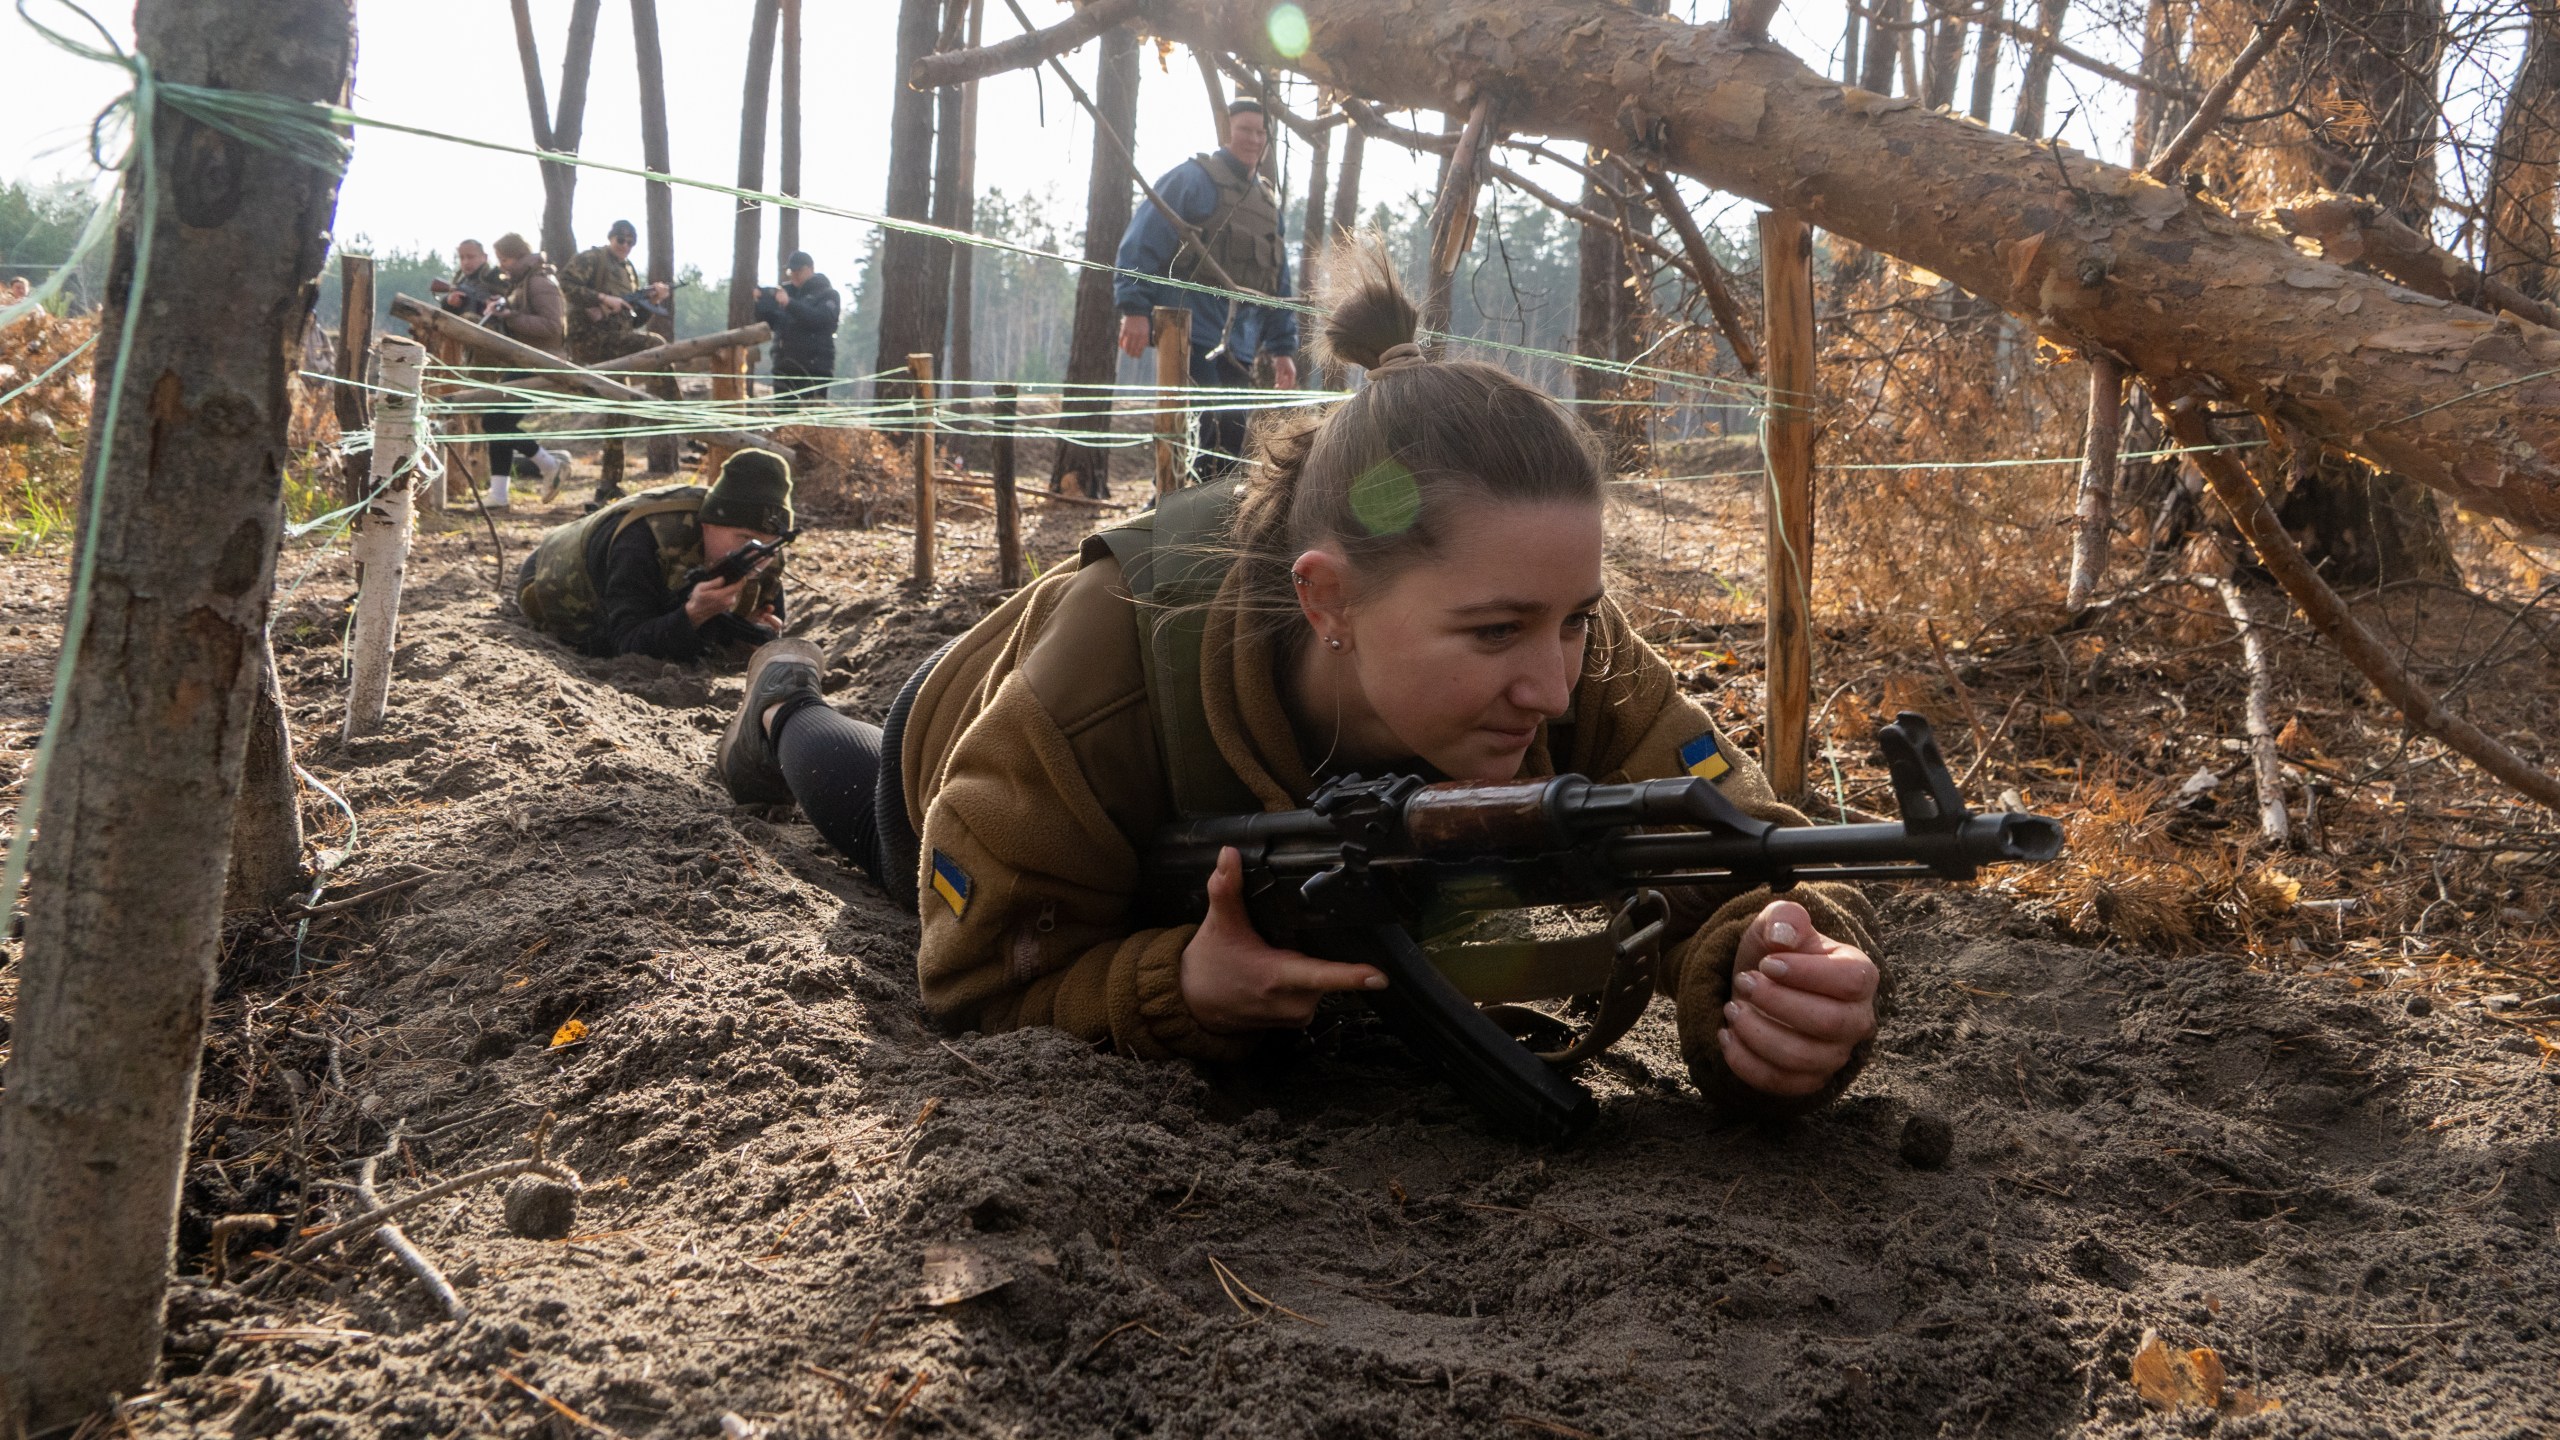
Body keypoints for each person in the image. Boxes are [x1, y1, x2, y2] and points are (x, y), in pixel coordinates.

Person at [708, 250, 1883, 1118]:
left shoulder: (1553, 625)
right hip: (963, 743)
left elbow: (1743, 846)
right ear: (1327, 602)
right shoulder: (1105, 675)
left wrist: (1773, 966)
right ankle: (783, 698)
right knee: (841, 777)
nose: (1550, 684)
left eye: (1573, 622)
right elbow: (974, 977)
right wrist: (1176, 984)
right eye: (1491, 635)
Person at [1113, 98, 1300, 487]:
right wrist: (1133, 307)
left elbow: (1277, 282)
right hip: (1188, 333)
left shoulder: (1267, 203)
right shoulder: (1191, 179)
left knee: (1231, 437)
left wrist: (1283, 349)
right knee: (1199, 429)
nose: (1253, 139)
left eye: (1260, 132)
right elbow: (1142, 241)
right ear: (1225, 131)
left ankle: (1206, 531)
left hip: (1240, 343)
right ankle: (1165, 520)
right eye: (1244, 129)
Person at [515, 447, 793, 664]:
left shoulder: (765, 555)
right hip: (553, 572)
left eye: (769, 546)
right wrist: (692, 616)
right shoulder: (644, 539)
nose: (757, 556)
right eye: (743, 539)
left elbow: (751, 637)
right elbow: (624, 645)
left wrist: (753, 637)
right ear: (706, 524)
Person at [560, 219, 672, 505]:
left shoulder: (629, 271)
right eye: (620, 239)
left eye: (630, 241)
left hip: (615, 342)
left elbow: (632, 322)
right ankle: (669, 406)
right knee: (656, 344)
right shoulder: (592, 258)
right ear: (610, 238)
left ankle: (608, 483)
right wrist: (601, 298)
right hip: (589, 338)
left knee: (618, 411)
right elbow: (566, 283)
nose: (624, 245)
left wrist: (651, 303)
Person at [481, 232, 569, 503]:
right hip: (527, 360)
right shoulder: (524, 281)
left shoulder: (540, 282)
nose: (501, 265)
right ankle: (499, 494)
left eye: (504, 258)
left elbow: (552, 327)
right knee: (498, 421)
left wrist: (512, 317)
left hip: (540, 363)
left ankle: (549, 465)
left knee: (495, 421)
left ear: (518, 256)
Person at [754, 250, 840, 405]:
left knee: (809, 423)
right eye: (791, 271)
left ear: (811, 269)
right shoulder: (785, 292)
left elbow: (819, 319)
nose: (794, 275)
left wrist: (789, 304)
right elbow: (773, 323)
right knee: (783, 420)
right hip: (784, 368)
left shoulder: (828, 294)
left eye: (799, 271)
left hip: (814, 370)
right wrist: (760, 303)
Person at [430, 238, 504, 318]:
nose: (466, 262)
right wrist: (449, 302)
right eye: (462, 258)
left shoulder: (494, 277)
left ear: (484, 257)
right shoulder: (462, 280)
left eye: (471, 257)